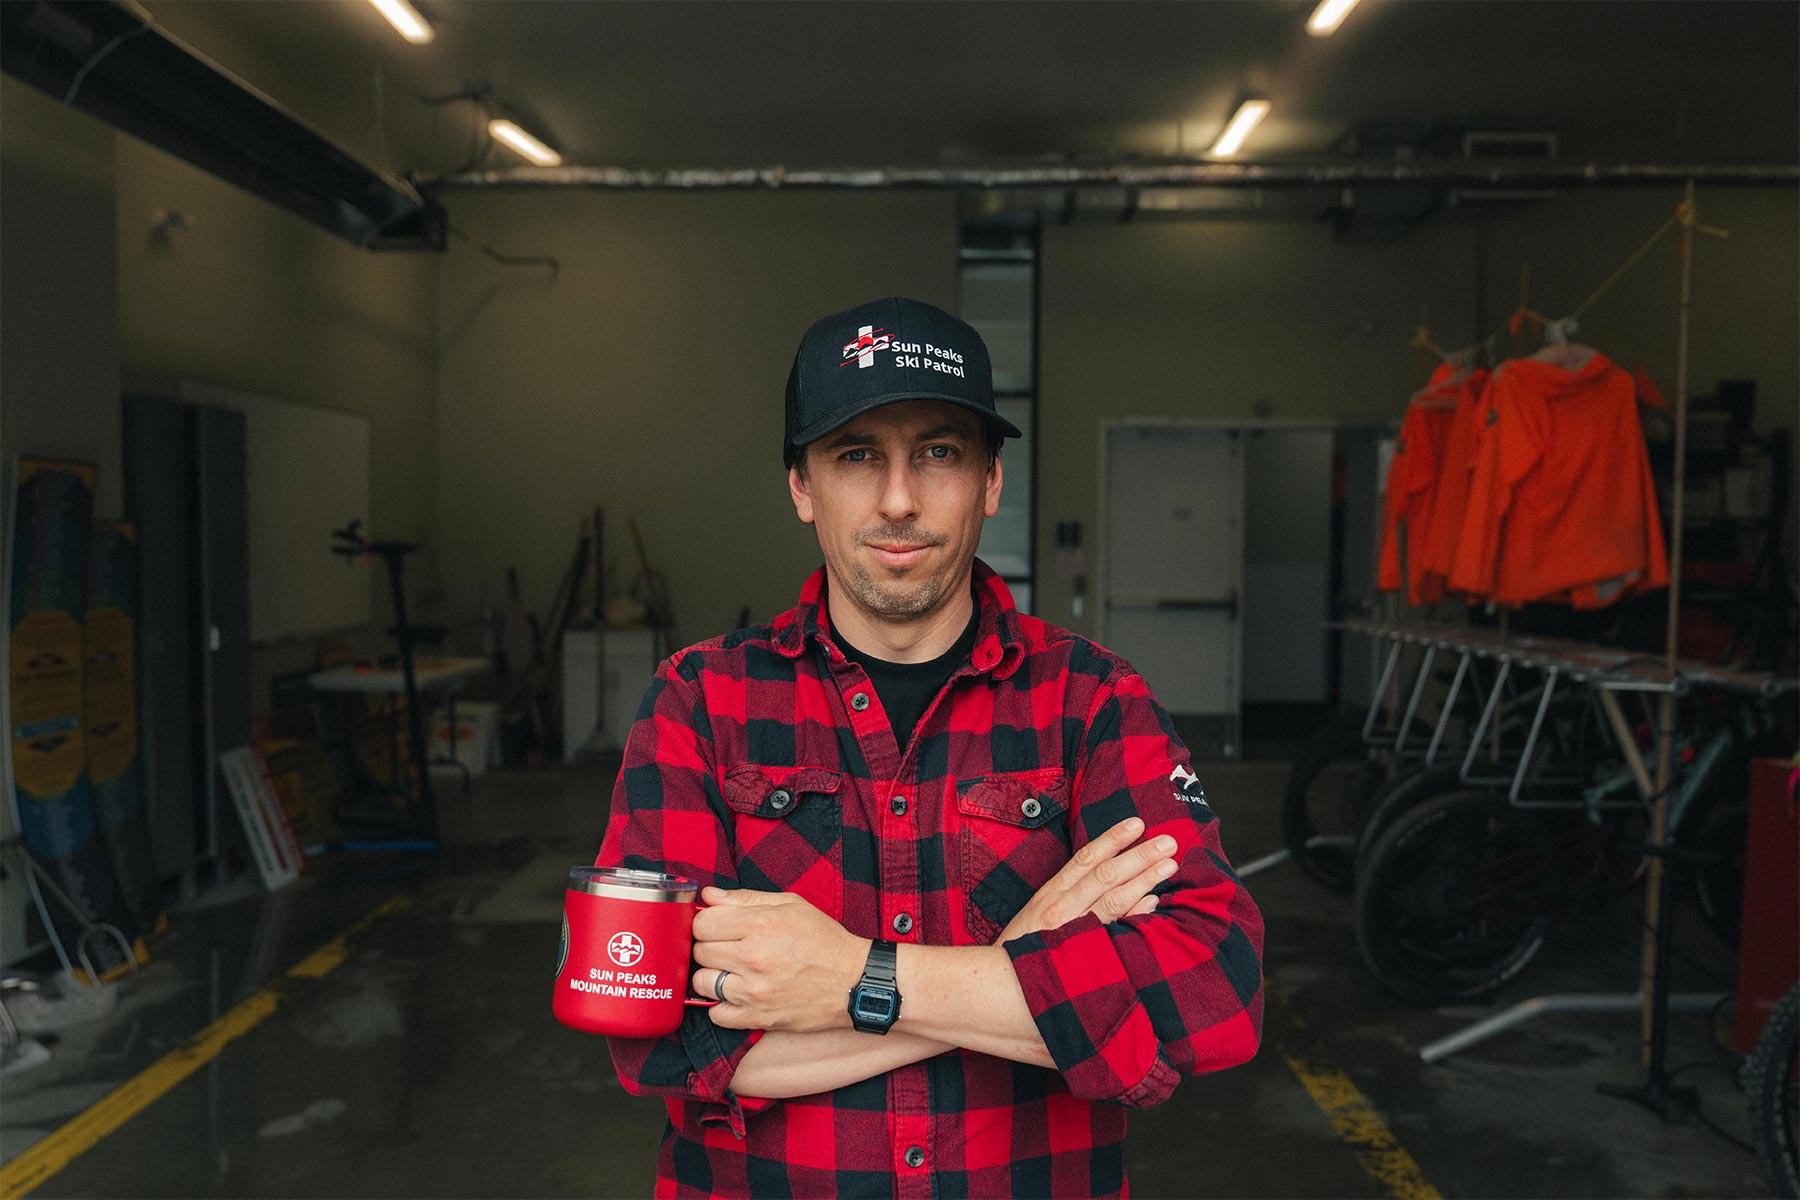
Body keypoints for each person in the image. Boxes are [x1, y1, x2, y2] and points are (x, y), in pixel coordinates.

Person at [596, 296, 1264, 1199]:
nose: (900, 498)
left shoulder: (1092, 701)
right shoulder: (700, 702)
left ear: (990, 482)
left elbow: (1213, 992)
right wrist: (1020, 964)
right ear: (801, 487)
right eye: (856, 455)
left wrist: (853, 979)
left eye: (939, 453)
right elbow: (649, 1029)